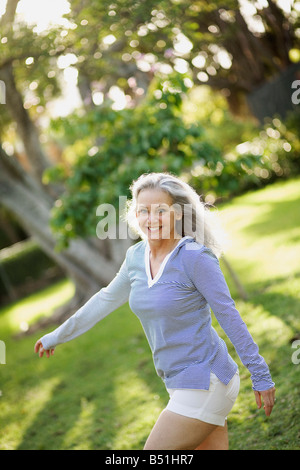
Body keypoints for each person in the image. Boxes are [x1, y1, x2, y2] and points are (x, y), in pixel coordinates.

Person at [35, 172, 276, 450]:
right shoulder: (136, 257)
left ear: (177, 213)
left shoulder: (194, 258)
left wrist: (260, 375)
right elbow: (105, 299)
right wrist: (58, 335)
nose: (151, 219)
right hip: (176, 381)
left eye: (160, 210)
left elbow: (229, 315)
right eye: (143, 211)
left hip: (207, 380)